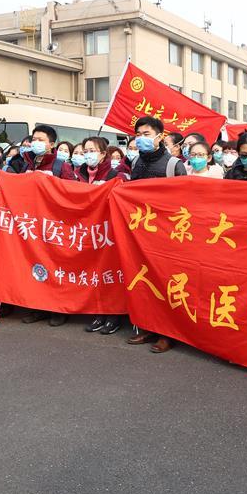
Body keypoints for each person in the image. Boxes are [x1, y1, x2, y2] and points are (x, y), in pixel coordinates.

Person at [127, 117, 186, 353]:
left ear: (160, 136)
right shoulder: (135, 163)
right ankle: (148, 326)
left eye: (147, 133)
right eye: (138, 134)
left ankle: (168, 333)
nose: (142, 138)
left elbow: (184, 203)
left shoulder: (173, 165)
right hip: (142, 233)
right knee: (145, 282)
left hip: (168, 235)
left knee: (166, 283)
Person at [73, 136, 130, 334]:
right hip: (86, 231)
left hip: (108, 231)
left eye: (91, 150)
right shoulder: (76, 174)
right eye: (84, 150)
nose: (88, 155)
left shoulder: (116, 175)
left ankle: (113, 316)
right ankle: (98, 313)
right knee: (93, 273)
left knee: (109, 274)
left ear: (103, 154)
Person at [130, 116, 187, 181]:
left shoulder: (174, 164)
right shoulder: (135, 161)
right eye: (138, 135)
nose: (141, 138)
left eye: (146, 134)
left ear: (159, 137)